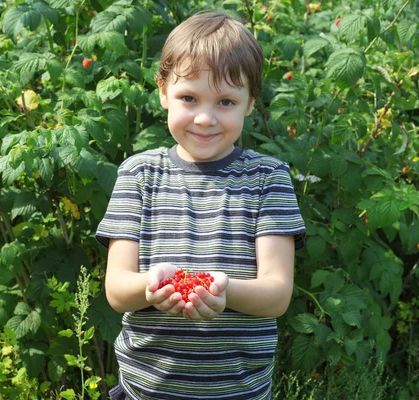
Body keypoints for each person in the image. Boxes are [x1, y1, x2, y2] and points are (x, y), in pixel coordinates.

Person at [95, 10, 305, 400]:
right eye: (189, 98)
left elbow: (277, 294)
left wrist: (224, 292)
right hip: (145, 389)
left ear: (249, 102)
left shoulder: (268, 179)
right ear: (162, 91)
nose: (205, 118)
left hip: (237, 391)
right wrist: (152, 286)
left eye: (225, 101)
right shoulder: (139, 174)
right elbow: (117, 289)